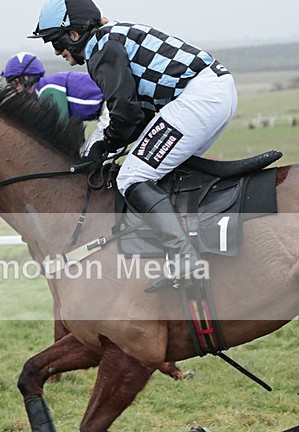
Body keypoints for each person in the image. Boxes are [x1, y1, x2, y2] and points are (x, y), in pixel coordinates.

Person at [30, 0, 238, 291]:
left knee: (132, 176)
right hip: (211, 93)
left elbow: (125, 114)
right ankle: (193, 244)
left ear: (74, 34)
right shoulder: (110, 38)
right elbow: (133, 115)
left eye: (56, 40)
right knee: (159, 171)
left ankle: (185, 257)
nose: (55, 51)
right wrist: (104, 145)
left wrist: (102, 148)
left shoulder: (101, 49)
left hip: (200, 98)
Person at [1, 52, 109, 154]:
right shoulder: (47, 86)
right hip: (109, 105)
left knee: (89, 158)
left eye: (14, 82)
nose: (13, 89)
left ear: (26, 78)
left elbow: (62, 127)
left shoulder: (47, 89)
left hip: (111, 106)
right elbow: (75, 130)